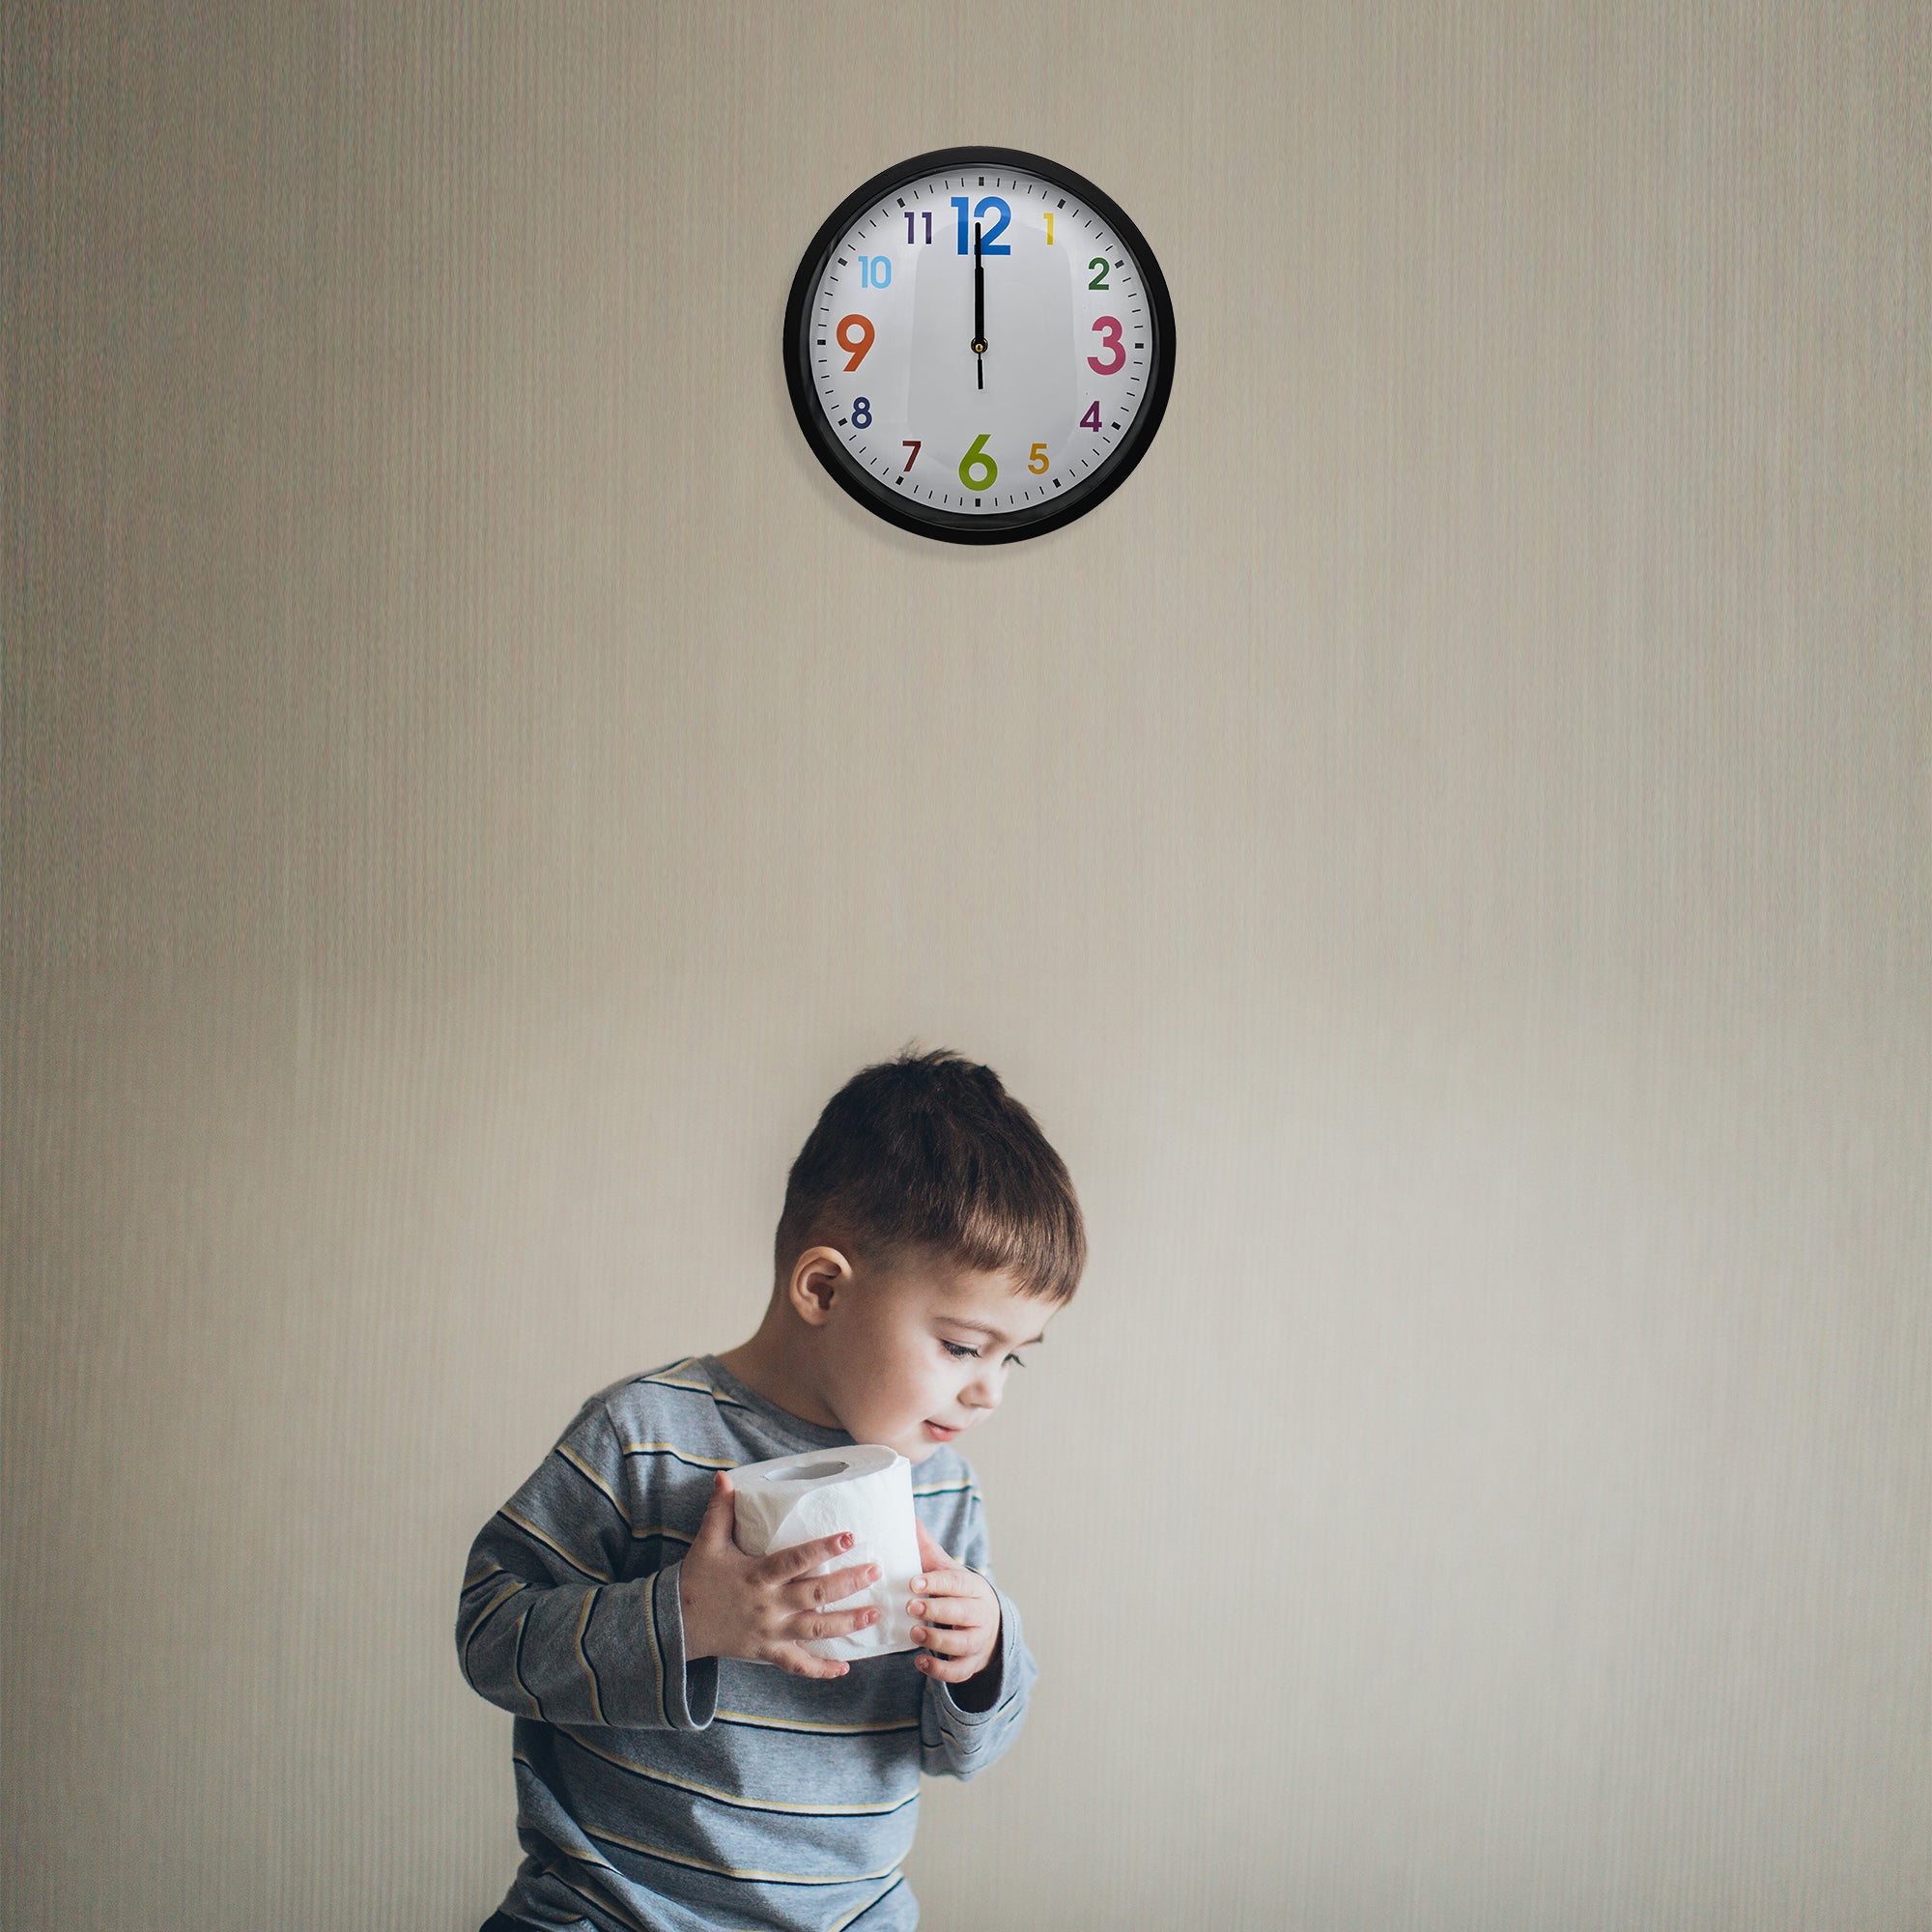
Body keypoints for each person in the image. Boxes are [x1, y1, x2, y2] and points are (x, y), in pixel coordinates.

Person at [457, 1045, 1086, 1932]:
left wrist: (982, 1658)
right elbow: (491, 1637)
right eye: (961, 1346)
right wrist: (685, 1618)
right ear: (823, 1289)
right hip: (609, 1911)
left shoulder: (943, 1494)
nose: (989, 1392)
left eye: (1012, 1358)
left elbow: (958, 1753)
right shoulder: (645, 1436)